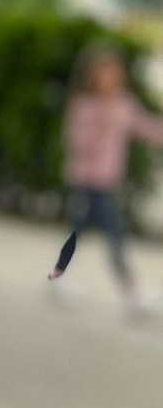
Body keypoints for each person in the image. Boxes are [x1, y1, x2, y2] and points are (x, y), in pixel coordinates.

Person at [56, 43, 163, 316]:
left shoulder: (123, 104)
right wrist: (102, 121)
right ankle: (131, 291)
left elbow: (145, 127)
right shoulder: (85, 106)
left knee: (78, 232)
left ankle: (58, 275)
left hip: (107, 182)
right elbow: (79, 144)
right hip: (87, 182)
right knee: (115, 233)